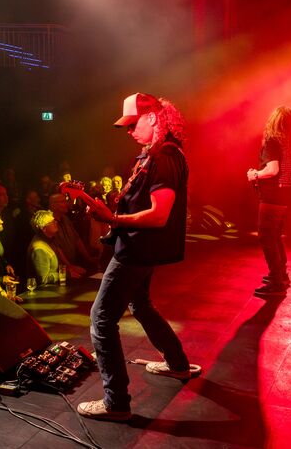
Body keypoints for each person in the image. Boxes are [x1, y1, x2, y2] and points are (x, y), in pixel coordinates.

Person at [77, 92, 195, 422]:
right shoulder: (157, 154)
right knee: (140, 305)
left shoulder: (164, 157)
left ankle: (116, 402)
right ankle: (177, 364)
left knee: (101, 319)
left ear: (153, 118)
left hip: (137, 249)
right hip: (141, 246)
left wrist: (113, 219)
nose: (129, 131)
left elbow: (159, 214)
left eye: (133, 124)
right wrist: (110, 211)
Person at [246, 106, 291, 297]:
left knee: (267, 237)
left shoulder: (273, 141)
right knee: (276, 236)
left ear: (274, 121)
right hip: (288, 197)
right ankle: (281, 274)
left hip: (273, 197)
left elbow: (272, 170)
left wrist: (255, 174)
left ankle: (276, 282)